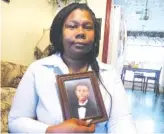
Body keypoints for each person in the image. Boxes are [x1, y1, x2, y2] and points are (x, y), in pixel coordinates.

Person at [8, 3, 137, 133]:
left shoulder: (109, 74)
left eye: (88, 27)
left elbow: (122, 122)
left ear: (95, 36)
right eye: (72, 26)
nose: (80, 32)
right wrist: (51, 131)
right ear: (60, 33)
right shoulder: (38, 70)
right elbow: (16, 121)